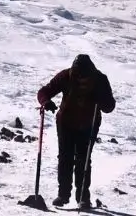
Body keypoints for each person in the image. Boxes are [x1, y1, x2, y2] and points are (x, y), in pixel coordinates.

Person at [37, 54, 116, 208]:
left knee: (83, 159)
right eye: (78, 75)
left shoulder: (100, 80)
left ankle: (83, 198)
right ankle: (63, 195)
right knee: (65, 157)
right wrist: (46, 102)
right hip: (66, 122)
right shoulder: (66, 76)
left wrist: (102, 101)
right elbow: (44, 91)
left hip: (89, 124)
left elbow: (110, 106)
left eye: (83, 77)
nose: (80, 79)